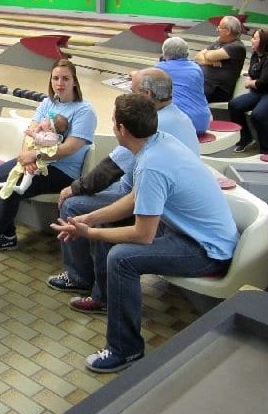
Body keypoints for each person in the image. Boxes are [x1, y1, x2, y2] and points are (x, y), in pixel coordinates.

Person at [52, 94, 238, 373]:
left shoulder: (152, 163)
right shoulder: (157, 143)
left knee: (121, 258)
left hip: (206, 250)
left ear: (122, 130)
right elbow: (134, 199)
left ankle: (125, 349)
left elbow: (143, 235)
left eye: (114, 122)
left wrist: (90, 233)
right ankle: (103, 299)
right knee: (110, 230)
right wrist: (90, 219)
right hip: (187, 232)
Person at [48, 68, 200, 312]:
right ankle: (97, 287)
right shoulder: (177, 117)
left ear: (147, 94)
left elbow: (110, 169)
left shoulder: (153, 128)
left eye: (132, 91)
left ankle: (80, 279)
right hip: (147, 197)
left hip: (158, 208)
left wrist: (75, 188)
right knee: (96, 217)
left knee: (73, 205)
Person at [0, 59, 97, 252]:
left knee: (14, 186)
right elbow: (31, 131)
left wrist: (35, 157)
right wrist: (27, 156)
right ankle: (8, 235)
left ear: (75, 81)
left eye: (66, 79)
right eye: (56, 78)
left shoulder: (84, 110)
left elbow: (71, 147)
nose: (60, 83)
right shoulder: (47, 103)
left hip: (63, 170)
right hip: (36, 162)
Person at [0, 113, 69, 198]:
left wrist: (33, 135)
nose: (43, 121)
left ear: (50, 128)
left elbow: (42, 140)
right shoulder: (45, 131)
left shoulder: (53, 137)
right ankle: (9, 184)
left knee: (29, 173)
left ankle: (22, 188)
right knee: (16, 169)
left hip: (41, 159)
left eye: (46, 121)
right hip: (32, 155)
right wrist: (37, 129)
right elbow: (30, 137)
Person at [156, 36, 212, 134]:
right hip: (203, 122)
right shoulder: (196, 68)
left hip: (182, 124)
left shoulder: (161, 68)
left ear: (165, 53)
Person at [194, 16, 246, 103]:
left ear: (228, 31)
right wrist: (209, 62)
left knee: (190, 97)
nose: (217, 30)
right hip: (206, 83)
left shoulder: (237, 47)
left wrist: (208, 55)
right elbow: (198, 57)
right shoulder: (219, 42)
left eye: (219, 28)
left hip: (218, 89)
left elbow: (209, 55)